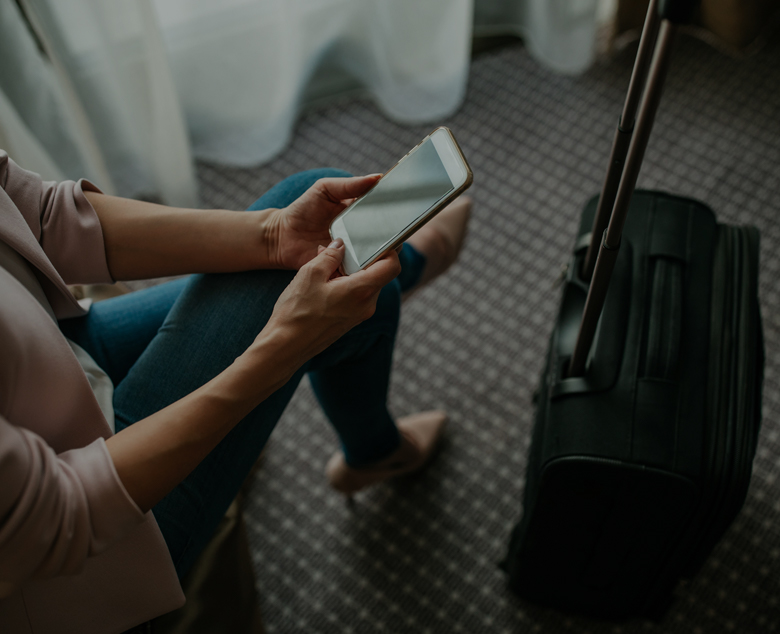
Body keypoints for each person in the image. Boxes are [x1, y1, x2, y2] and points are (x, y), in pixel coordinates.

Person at [0, 150, 471, 634]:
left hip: (45, 354)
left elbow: (33, 212)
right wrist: (282, 349)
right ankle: (379, 426)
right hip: (82, 552)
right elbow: (56, 513)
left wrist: (273, 234)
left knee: (313, 236)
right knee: (348, 289)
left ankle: (375, 443)